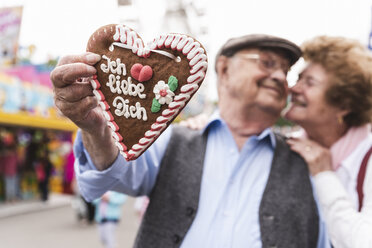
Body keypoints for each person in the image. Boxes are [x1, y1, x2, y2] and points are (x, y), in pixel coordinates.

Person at [51, 34, 331, 247]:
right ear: (224, 69)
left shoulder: (310, 161)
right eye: (268, 63)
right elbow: (108, 175)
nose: (281, 76)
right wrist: (94, 127)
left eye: (286, 70)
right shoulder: (169, 139)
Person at [284, 36, 372, 248]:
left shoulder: (367, 158)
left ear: (344, 104)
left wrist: (324, 175)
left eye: (309, 82)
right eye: (298, 79)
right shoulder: (287, 147)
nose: (293, 89)